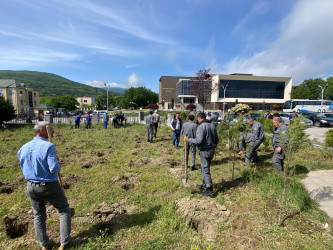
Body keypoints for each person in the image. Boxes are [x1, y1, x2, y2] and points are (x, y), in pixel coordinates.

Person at [17, 122, 71, 250]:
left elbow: (22, 165)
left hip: (30, 186)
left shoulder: (23, 147)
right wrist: (57, 162)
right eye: (51, 129)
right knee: (64, 210)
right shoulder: (49, 146)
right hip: (49, 185)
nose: (53, 132)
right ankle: (64, 243)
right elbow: (54, 169)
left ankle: (44, 245)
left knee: (38, 215)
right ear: (42, 131)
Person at [184, 112, 219, 197]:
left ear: (199, 118)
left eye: (198, 119)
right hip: (211, 150)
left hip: (205, 151)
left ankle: (209, 189)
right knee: (204, 168)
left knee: (205, 169)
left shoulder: (201, 127)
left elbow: (198, 140)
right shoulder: (212, 126)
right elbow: (217, 139)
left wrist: (188, 140)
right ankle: (204, 184)